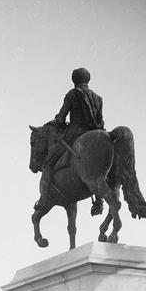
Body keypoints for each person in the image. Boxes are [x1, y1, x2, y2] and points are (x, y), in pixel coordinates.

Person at [40, 68, 104, 204]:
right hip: (96, 133)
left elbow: (62, 117)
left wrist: (57, 120)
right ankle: (99, 202)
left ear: (74, 80)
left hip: (76, 132)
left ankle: (44, 198)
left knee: (47, 163)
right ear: (88, 79)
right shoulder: (98, 98)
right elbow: (100, 120)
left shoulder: (72, 94)